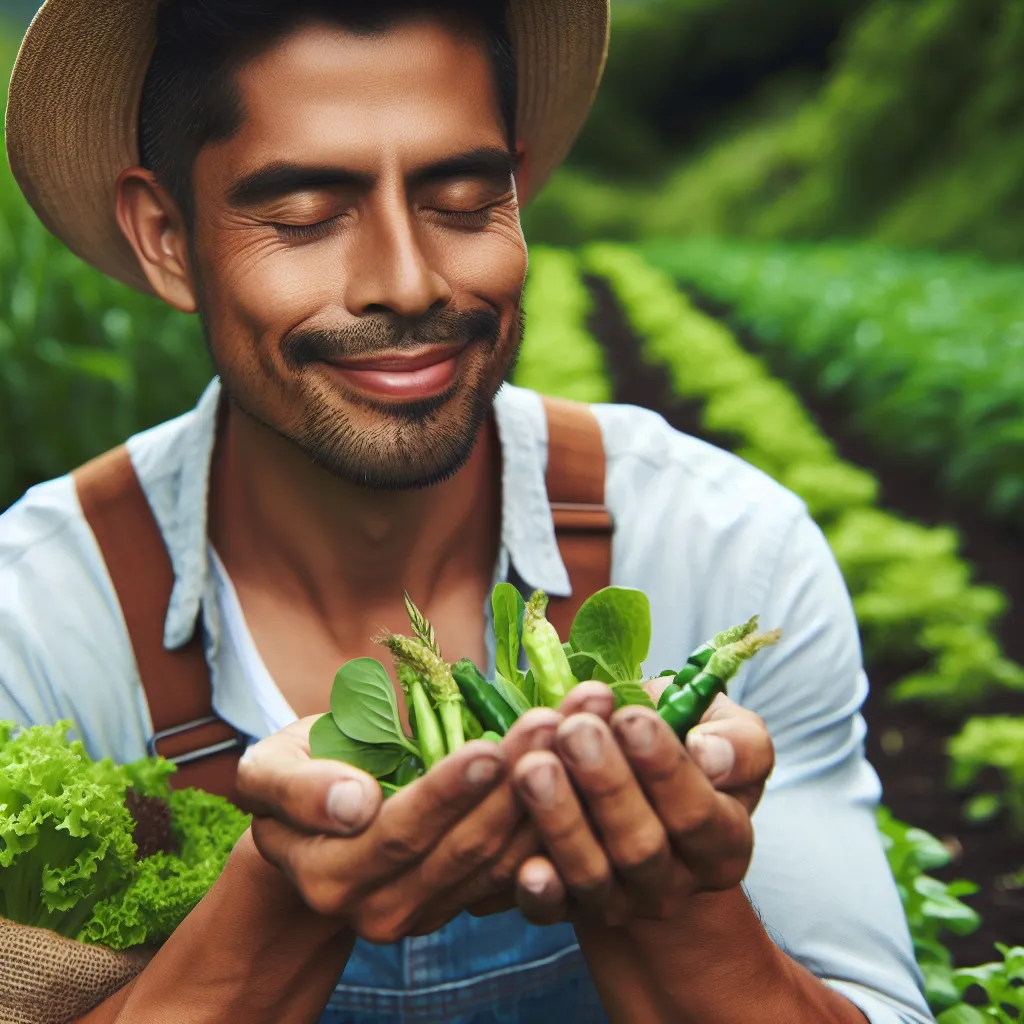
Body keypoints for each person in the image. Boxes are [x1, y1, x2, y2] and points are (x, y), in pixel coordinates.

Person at [0, 1, 935, 1021]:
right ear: (167, 236)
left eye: (461, 198)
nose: (407, 282)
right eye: (306, 214)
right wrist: (276, 900)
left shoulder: (723, 549)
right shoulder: (36, 620)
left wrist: (669, 892)